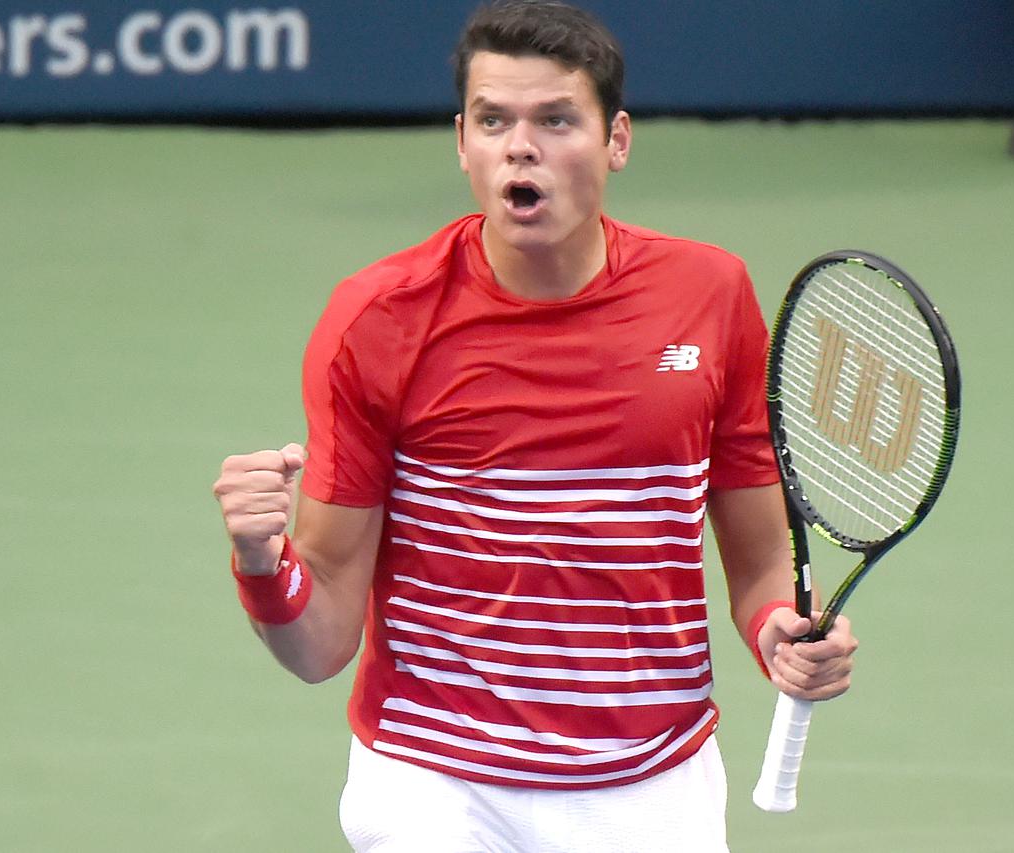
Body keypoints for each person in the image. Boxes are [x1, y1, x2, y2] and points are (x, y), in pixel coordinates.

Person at [212, 1, 858, 850]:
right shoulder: (377, 320)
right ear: (462, 142)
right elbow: (321, 640)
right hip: (433, 781)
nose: (522, 146)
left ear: (616, 140)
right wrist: (263, 563)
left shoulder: (710, 296)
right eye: (494, 121)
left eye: (555, 119)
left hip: (649, 781)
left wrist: (778, 626)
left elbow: (762, 557)